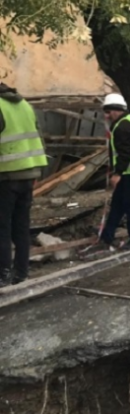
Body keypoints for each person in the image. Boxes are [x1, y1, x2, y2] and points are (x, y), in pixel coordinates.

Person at [0, 83, 47, 286]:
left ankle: (3, 274)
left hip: (6, 175)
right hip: (29, 173)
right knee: (21, 226)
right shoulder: (25, 105)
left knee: (2, 227)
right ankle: (21, 272)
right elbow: (39, 138)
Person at [90, 94, 130, 254]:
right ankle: (107, 234)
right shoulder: (127, 122)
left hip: (129, 172)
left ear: (116, 110)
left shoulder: (123, 127)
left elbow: (125, 154)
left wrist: (117, 174)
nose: (106, 116)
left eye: (108, 112)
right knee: (118, 204)